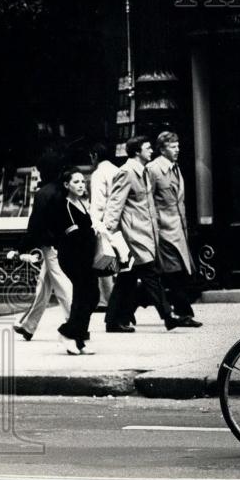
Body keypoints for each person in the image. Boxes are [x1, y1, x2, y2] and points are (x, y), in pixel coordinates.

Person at [103, 136, 184, 332]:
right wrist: (109, 233)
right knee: (150, 273)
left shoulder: (144, 171)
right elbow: (115, 204)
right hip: (133, 235)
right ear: (137, 151)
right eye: (147, 148)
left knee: (127, 278)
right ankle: (167, 315)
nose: (151, 151)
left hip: (145, 233)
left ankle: (113, 320)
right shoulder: (126, 172)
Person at [14, 152, 73, 341]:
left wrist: (22, 247)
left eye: (39, 171)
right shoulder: (63, 191)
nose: (38, 174)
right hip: (65, 243)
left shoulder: (43, 194)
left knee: (62, 287)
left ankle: (76, 325)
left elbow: (35, 225)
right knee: (45, 286)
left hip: (51, 246)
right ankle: (28, 326)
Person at [147, 131, 202, 327]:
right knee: (174, 272)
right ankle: (184, 313)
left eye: (178, 145)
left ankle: (123, 309)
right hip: (164, 230)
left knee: (173, 273)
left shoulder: (175, 168)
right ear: (161, 149)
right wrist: (155, 228)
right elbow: (149, 200)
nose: (177, 149)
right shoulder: (153, 170)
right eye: (172, 146)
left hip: (178, 229)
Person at [53, 168, 105, 355]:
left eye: (83, 181)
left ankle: (77, 335)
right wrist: (92, 231)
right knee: (84, 295)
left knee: (91, 297)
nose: (81, 185)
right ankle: (70, 335)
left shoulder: (81, 203)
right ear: (66, 185)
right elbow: (73, 235)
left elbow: (85, 230)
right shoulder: (64, 206)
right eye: (76, 182)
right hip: (73, 257)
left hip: (86, 256)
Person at [89, 142, 121, 310]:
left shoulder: (98, 174)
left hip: (104, 222)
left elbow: (98, 203)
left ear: (95, 155)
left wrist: (94, 222)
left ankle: (105, 299)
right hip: (119, 221)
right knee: (119, 260)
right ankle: (113, 298)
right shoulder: (118, 170)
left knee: (103, 259)